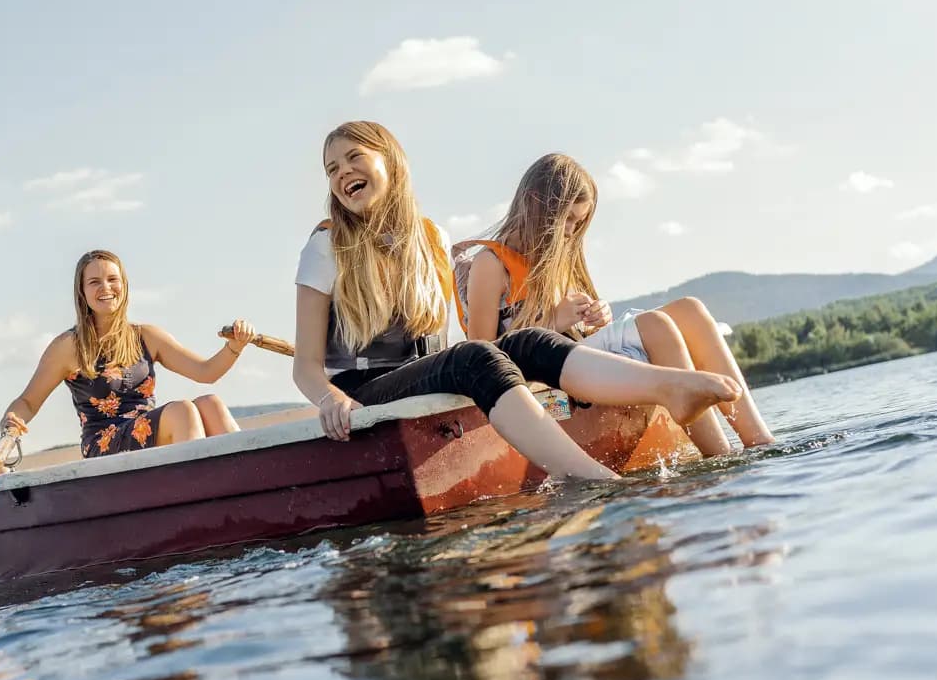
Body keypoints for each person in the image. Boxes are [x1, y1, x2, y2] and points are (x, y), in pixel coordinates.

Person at [293, 121, 740, 481]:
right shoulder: (325, 248)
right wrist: (330, 400)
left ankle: (667, 387)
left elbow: (435, 346)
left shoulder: (431, 240)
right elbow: (306, 368)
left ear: (391, 162)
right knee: (475, 355)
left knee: (527, 342)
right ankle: (595, 479)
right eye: (332, 168)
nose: (342, 172)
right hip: (363, 391)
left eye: (354, 157)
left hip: (422, 376)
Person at [455, 153, 775, 454]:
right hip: (544, 371)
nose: (570, 231)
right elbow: (481, 356)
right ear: (534, 202)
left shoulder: (555, 258)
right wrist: (554, 321)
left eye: (578, 222)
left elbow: (575, 331)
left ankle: (759, 441)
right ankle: (719, 457)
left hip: (579, 358)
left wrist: (597, 316)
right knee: (656, 326)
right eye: (566, 219)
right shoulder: (491, 263)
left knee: (691, 310)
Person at [0, 249, 257, 457]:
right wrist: (11, 423)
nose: (105, 287)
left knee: (211, 404)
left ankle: (246, 480)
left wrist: (234, 347)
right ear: (82, 292)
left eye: (113, 279)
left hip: (147, 429)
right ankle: (198, 490)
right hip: (103, 443)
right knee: (182, 411)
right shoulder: (68, 346)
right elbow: (28, 402)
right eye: (94, 282)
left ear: (124, 285)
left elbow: (206, 372)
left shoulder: (146, 336)